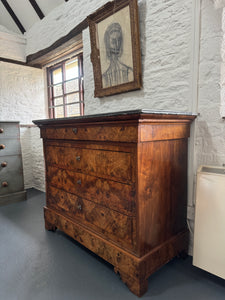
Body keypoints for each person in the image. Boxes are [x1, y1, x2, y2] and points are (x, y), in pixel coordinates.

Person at [102, 22, 133, 88]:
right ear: (108, 43)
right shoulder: (104, 77)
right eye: (113, 41)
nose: (117, 45)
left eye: (119, 41)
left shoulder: (129, 71)